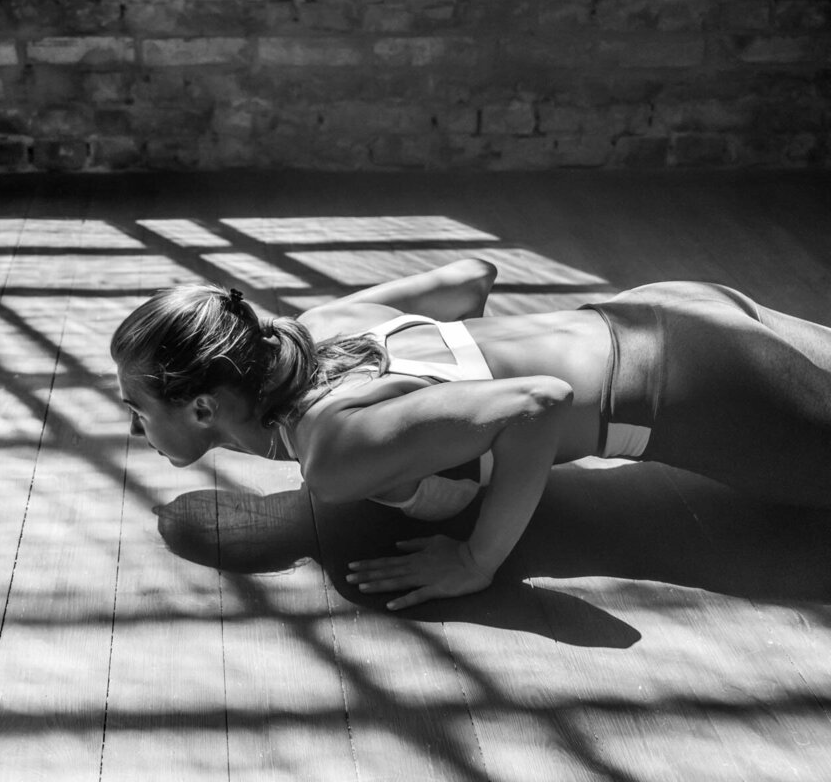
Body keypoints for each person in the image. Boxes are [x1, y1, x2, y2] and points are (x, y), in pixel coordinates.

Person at [111, 259, 831, 610]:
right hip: (663, 309)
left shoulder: (333, 450)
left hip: (705, 396)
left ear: (202, 408)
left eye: (136, 406)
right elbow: (468, 277)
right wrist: (450, 396)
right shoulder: (317, 329)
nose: (134, 425)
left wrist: (477, 558)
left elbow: (538, 403)